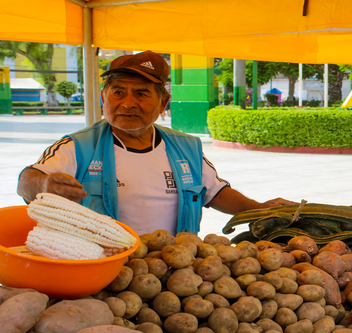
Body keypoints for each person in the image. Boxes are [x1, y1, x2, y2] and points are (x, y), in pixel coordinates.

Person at [17, 51, 293, 236]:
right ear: (104, 97)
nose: (127, 103)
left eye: (141, 94)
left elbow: (215, 192)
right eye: (118, 92)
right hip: (103, 266)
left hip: (172, 267)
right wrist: (43, 186)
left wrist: (257, 208)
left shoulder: (186, 147)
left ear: (163, 103)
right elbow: (28, 180)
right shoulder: (77, 147)